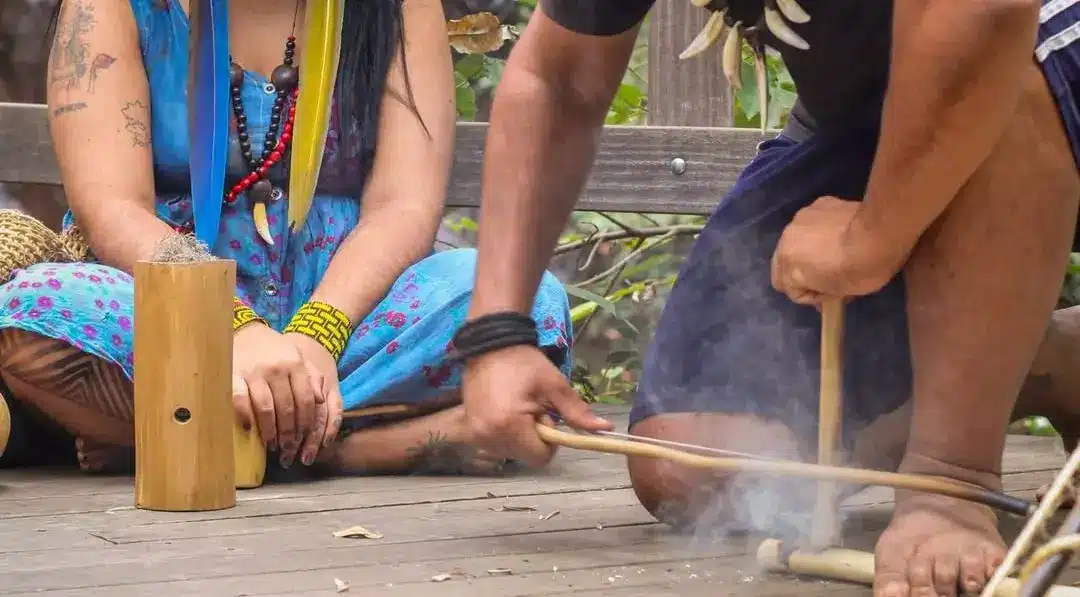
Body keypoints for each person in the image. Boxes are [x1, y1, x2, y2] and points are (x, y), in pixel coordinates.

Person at [455, 0, 1080, 595]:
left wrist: (870, 241)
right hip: (880, 117)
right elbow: (559, 77)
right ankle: (1040, 359)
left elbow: (986, 15)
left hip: (1035, 66)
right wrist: (499, 334)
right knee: (696, 465)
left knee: (1014, 44)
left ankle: (955, 476)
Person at [0, 0, 573, 479]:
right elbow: (113, 208)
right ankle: (362, 445)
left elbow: (403, 205)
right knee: (28, 313)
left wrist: (318, 334)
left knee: (526, 307)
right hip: (180, 321)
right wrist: (234, 329)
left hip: (346, 319)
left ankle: (190, 436)